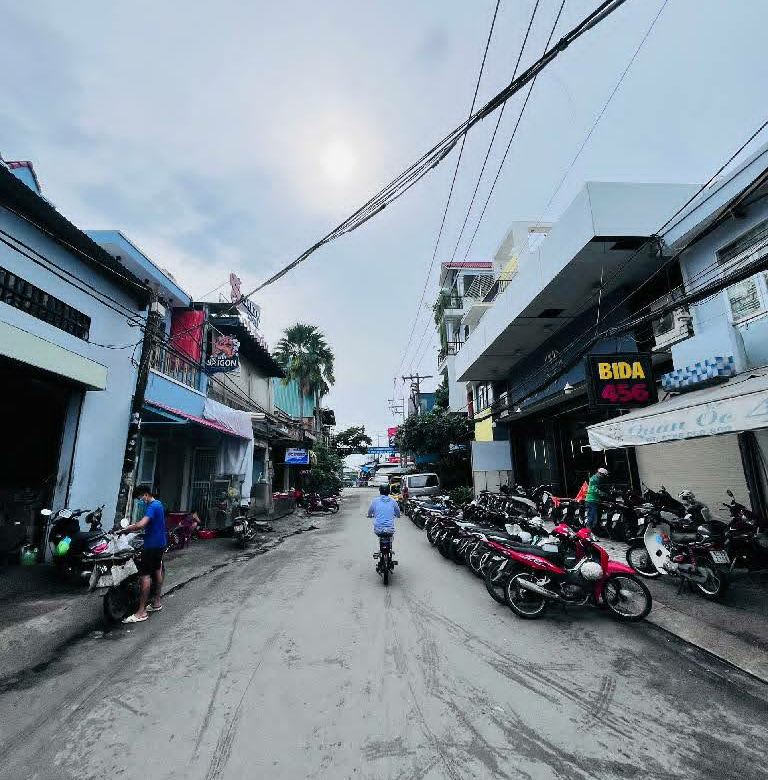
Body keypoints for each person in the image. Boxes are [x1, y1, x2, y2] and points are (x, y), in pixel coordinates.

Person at [118, 485, 167, 623]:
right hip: (160, 544)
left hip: (151, 546)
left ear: (146, 494)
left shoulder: (152, 506)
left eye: (140, 498)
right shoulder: (159, 504)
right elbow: (149, 523)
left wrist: (126, 529)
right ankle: (156, 603)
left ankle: (141, 612)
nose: (141, 501)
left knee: (145, 576)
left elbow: (142, 524)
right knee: (157, 571)